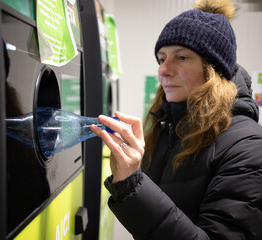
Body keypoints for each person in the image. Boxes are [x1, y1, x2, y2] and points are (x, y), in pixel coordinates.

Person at [91, 0, 262, 239]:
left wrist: (133, 185)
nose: (163, 69)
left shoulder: (248, 146)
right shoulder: (166, 127)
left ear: (213, 69)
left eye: (181, 57)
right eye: (161, 58)